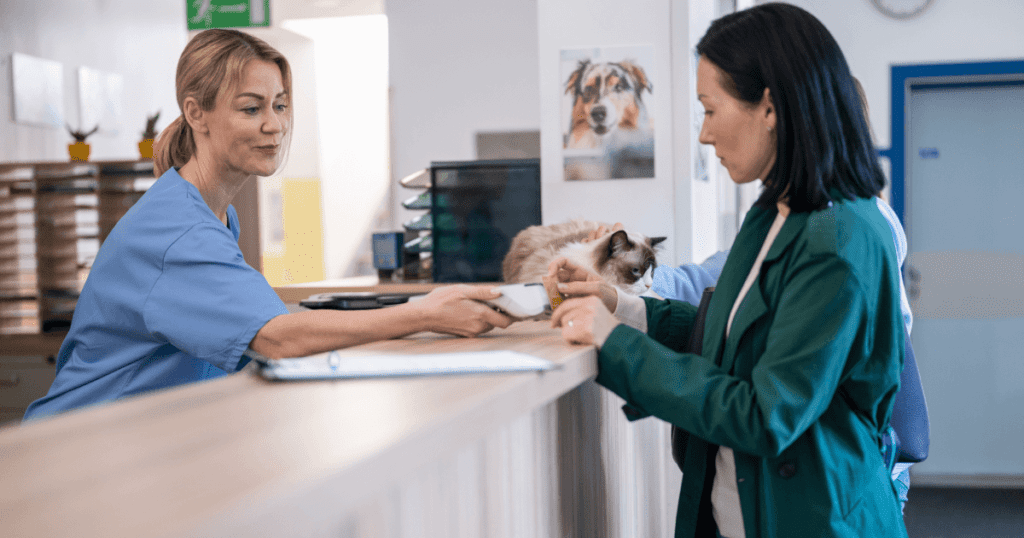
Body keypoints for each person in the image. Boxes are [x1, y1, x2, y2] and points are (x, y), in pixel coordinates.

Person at [548, 4, 907, 537]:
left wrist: (615, 345)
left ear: (769, 107)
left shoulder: (840, 242)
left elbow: (765, 413)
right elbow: (722, 339)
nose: (703, 136)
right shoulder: (772, 215)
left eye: (709, 110)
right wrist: (621, 308)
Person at [23, 29, 511, 421]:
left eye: (279, 105)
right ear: (197, 113)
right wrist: (422, 314)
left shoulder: (214, 214)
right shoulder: (177, 231)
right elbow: (276, 337)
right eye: (251, 108)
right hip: (80, 443)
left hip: (136, 439)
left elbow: (247, 321)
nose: (274, 125)